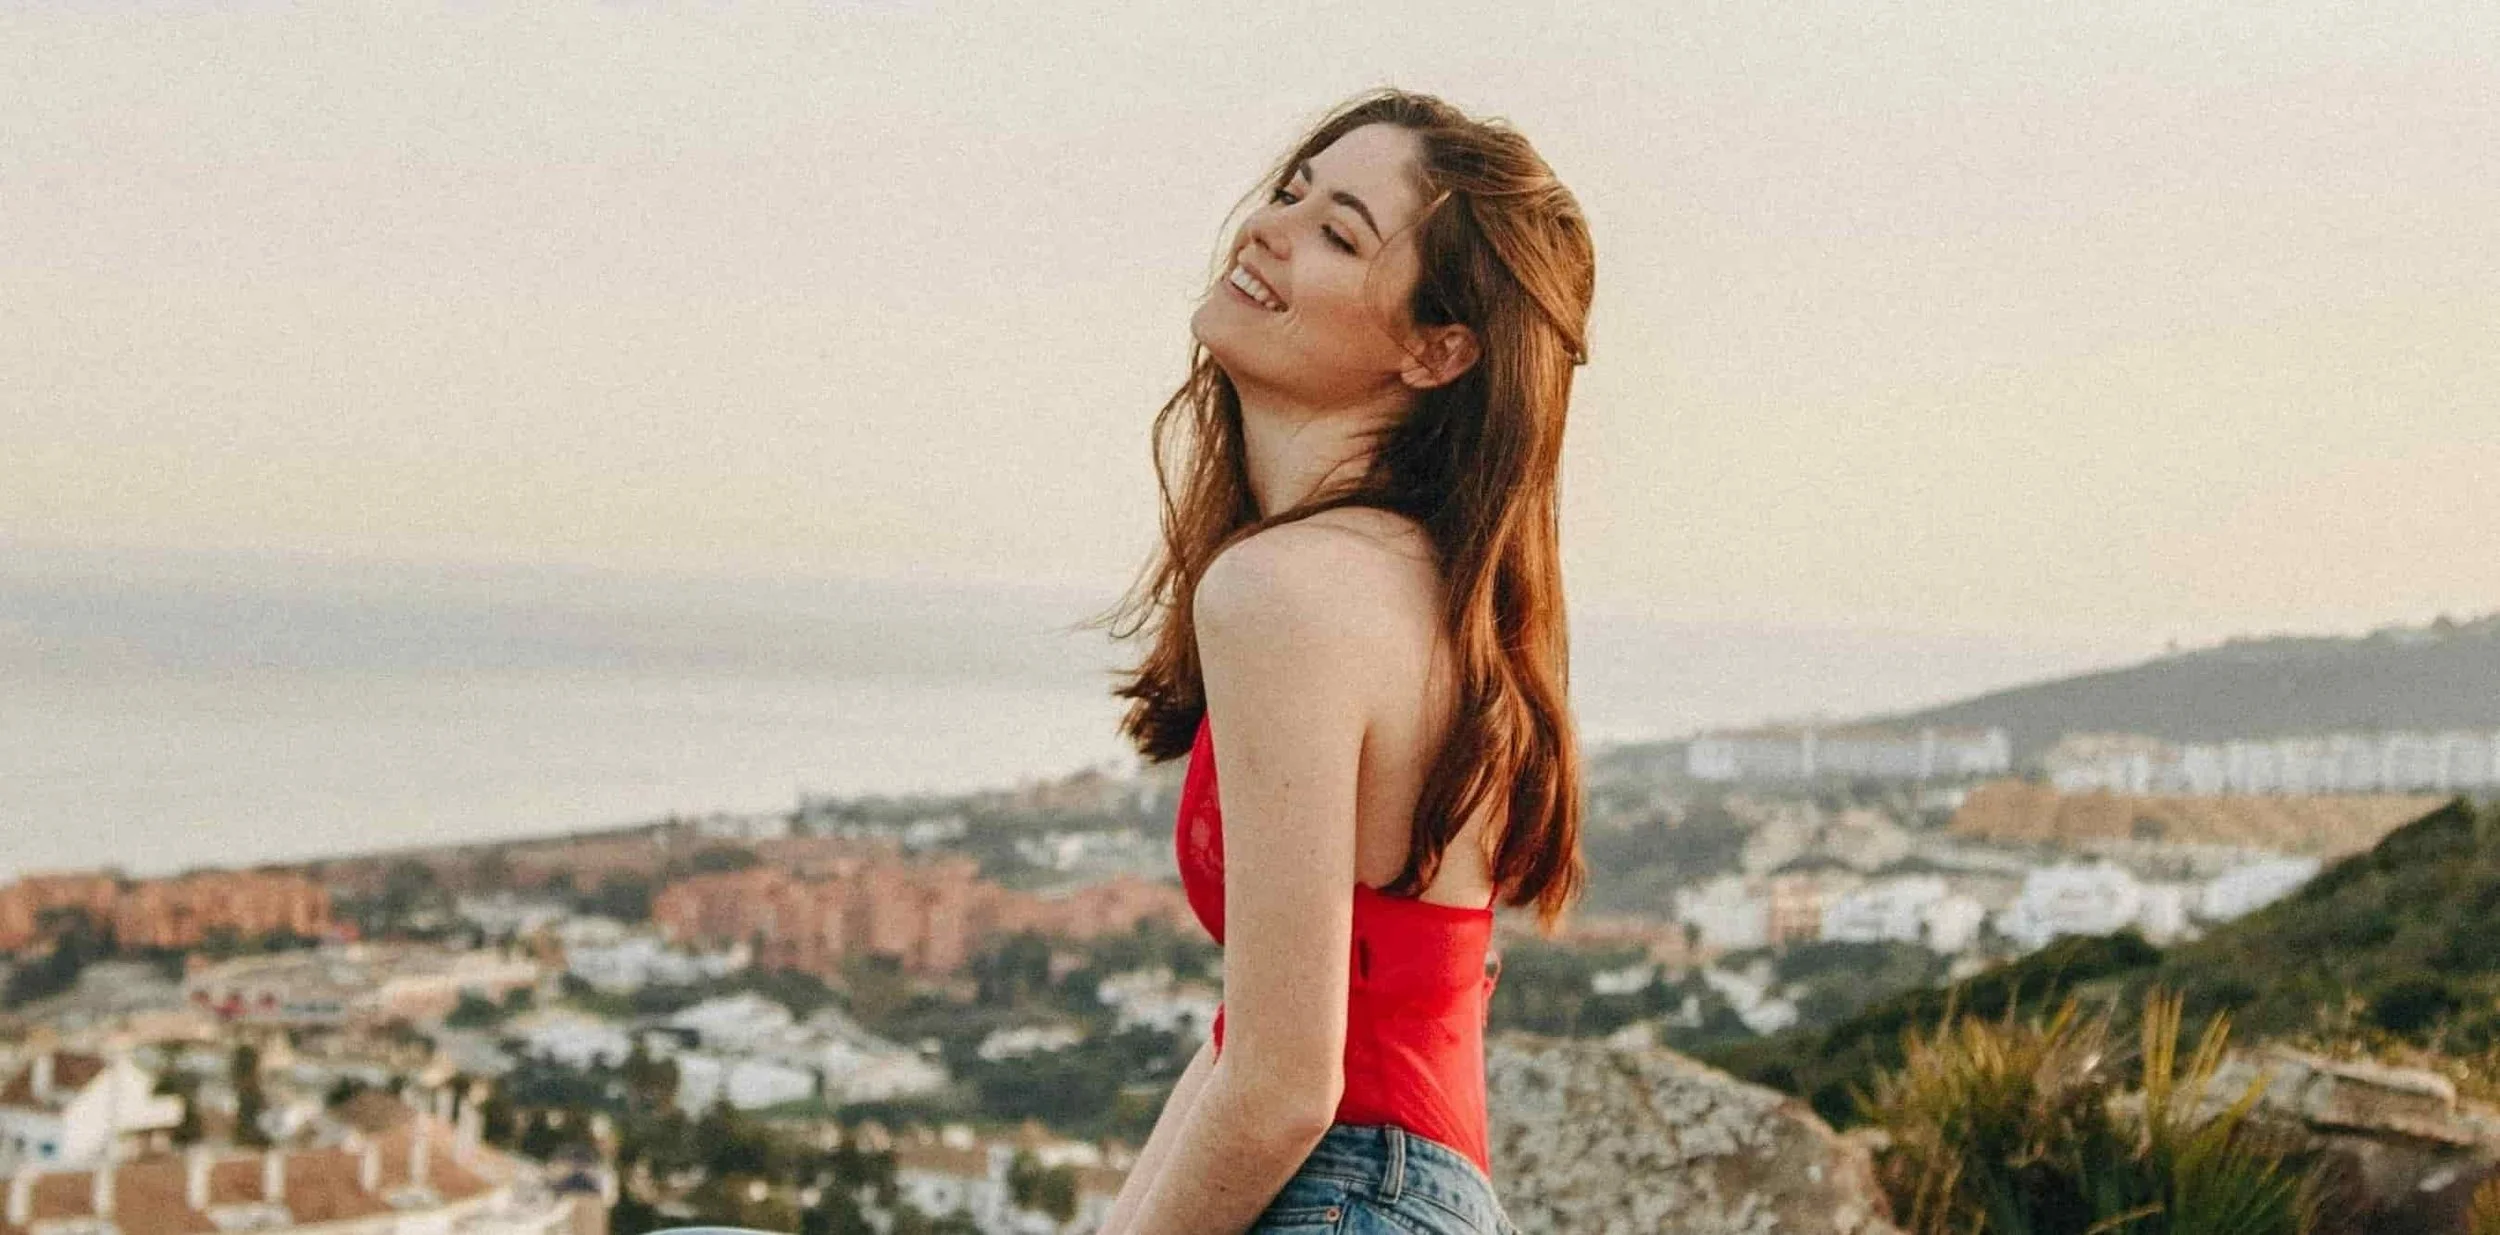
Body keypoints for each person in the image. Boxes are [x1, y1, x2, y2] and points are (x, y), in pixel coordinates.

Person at [1085, 87, 1595, 1235]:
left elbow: (1281, 1088)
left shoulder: (1289, 591)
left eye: (1338, 232)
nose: (1269, 226)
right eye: (1291, 191)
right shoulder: (1428, 590)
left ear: (1436, 348)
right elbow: (1253, 1045)